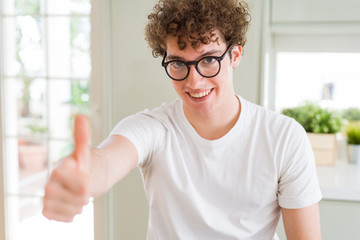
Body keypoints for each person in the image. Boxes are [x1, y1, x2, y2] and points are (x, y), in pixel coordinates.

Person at [42, 0, 322, 239]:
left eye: (209, 60)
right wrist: (81, 178)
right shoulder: (154, 128)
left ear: (234, 54)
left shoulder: (284, 137)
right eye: (178, 63)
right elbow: (106, 161)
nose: (194, 81)